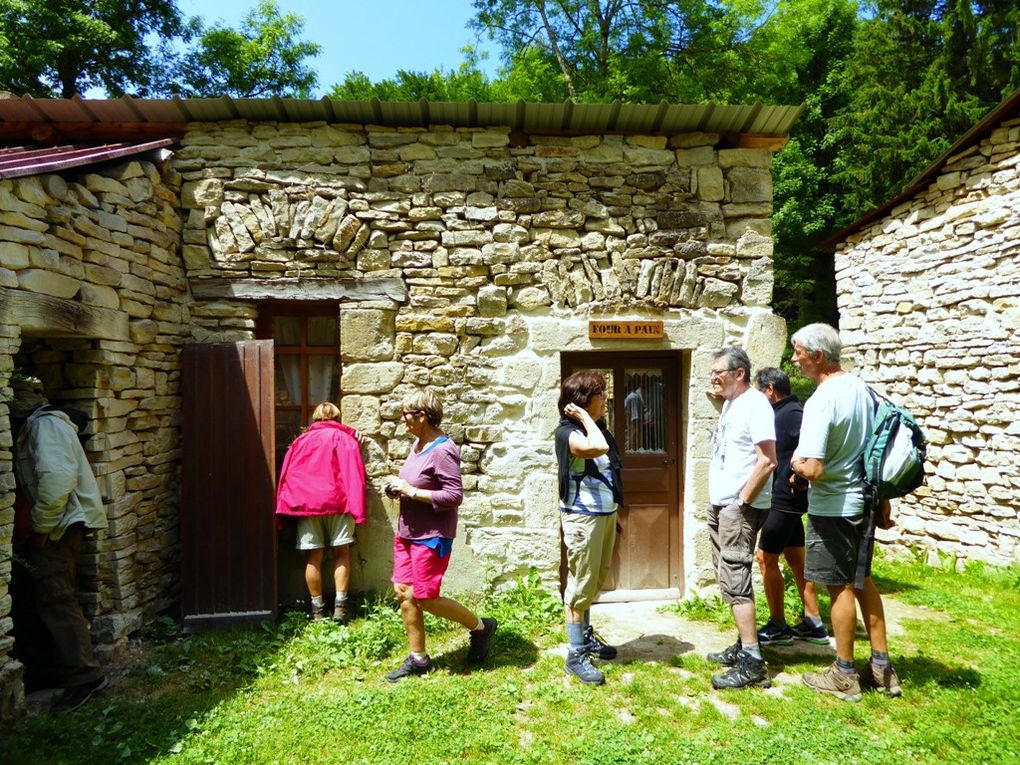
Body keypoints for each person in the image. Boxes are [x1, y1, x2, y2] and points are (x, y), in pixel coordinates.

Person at [790, 323, 901, 701]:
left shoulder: (822, 399)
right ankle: (883, 669)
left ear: (818, 356)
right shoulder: (864, 390)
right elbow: (878, 452)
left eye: (799, 352)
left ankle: (844, 673)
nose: (794, 359)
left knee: (838, 588)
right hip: (865, 502)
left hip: (833, 507)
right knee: (863, 580)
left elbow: (814, 468)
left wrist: (794, 464)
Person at [383, 388, 496, 682]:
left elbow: (454, 495)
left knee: (426, 598)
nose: (402, 419)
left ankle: (481, 627)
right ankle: (419, 659)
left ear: (422, 416)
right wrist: (398, 486)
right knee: (404, 593)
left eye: (406, 414)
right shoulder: (418, 444)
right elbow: (415, 482)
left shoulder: (443, 449)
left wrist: (412, 491)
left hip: (431, 535)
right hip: (407, 532)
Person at [11, 380, 108, 713]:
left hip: (57, 528)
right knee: (47, 599)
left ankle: (85, 677)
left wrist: (40, 527)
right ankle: (57, 669)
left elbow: (57, 481)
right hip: (56, 526)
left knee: (56, 600)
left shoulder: (45, 426)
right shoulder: (39, 425)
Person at [704, 347, 778, 690]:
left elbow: (767, 460)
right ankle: (744, 644)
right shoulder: (734, 403)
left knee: (736, 578)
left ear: (740, 373)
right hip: (723, 505)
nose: (713, 377)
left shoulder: (756, 405)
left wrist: (741, 502)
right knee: (728, 575)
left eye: (719, 372)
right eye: (712, 372)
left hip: (739, 508)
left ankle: (752, 662)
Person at [555, 370, 624, 685]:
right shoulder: (568, 433)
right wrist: (584, 416)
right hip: (583, 518)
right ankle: (576, 655)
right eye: (600, 394)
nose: (605, 399)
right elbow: (597, 449)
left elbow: (610, 472)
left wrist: (615, 511)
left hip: (604, 515)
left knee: (594, 581)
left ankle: (584, 637)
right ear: (583, 401)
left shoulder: (598, 429)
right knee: (580, 586)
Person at [753, 368, 829, 646]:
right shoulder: (782, 412)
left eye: (760, 391)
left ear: (770, 389)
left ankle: (778, 625)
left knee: (765, 557)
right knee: (797, 560)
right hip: (787, 500)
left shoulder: (791, 413)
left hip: (784, 499)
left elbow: (813, 442)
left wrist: (799, 474)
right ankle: (815, 623)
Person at [275, 402, 366, 623]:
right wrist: (359, 508)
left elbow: (287, 473)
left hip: (307, 505)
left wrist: (284, 504)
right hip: (338, 503)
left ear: (315, 419)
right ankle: (340, 609)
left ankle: (317, 611)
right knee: (341, 553)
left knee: (313, 556)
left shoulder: (300, 442)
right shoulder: (346, 439)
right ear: (337, 418)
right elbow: (355, 473)